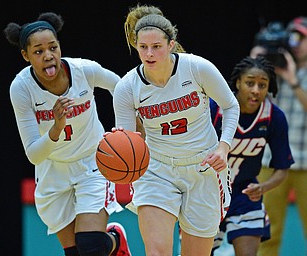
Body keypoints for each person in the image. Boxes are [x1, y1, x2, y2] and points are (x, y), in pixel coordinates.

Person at [111, 4, 240, 256]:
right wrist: (119, 157)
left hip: (203, 166)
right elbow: (127, 142)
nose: (149, 53)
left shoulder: (196, 68)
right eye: (143, 47)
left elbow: (230, 106)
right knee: (157, 252)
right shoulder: (127, 87)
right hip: (157, 170)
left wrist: (224, 148)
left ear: (171, 45)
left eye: (156, 46)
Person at [4, 12, 132, 256]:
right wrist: (56, 126)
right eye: (38, 51)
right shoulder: (21, 88)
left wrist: (130, 129)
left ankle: (115, 240)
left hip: (92, 163)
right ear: (25, 56)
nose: (48, 56)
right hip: (53, 169)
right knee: (75, 252)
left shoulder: (84, 70)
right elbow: (34, 155)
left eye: (52, 47)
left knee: (91, 247)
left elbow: (124, 89)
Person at [210, 56, 294, 256]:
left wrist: (263, 187)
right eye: (250, 83)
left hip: (244, 192)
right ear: (238, 82)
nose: (256, 90)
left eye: (262, 85)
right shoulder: (215, 108)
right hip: (208, 191)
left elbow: (282, 168)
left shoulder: (274, 117)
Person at [250, 17, 307, 255]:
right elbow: (248, 105)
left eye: (302, 38)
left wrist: (293, 81)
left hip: (305, 163)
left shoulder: (293, 75)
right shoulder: (271, 70)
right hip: (271, 162)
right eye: (293, 37)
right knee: (267, 233)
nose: (297, 43)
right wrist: (254, 67)